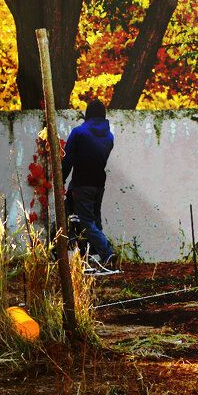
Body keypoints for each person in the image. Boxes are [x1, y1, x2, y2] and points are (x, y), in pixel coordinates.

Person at [61, 99, 115, 270]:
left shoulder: (79, 132)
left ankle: (106, 253)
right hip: (99, 183)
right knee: (95, 219)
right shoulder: (109, 136)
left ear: (88, 114)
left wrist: (61, 178)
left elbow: (68, 159)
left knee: (85, 221)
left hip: (82, 183)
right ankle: (93, 256)